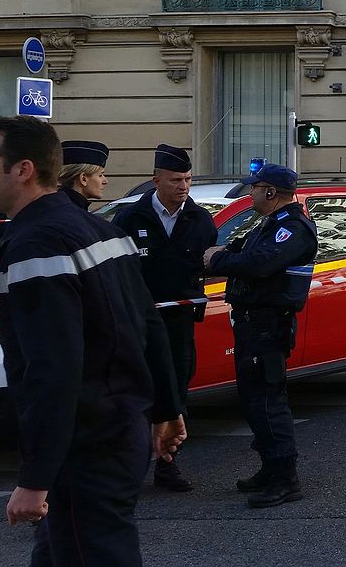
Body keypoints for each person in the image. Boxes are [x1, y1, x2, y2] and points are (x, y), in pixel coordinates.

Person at [0, 116, 185, 565]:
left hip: (86, 446)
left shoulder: (37, 243)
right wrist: (166, 409)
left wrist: (36, 476)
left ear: (23, 169)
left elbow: (53, 366)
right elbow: (148, 324)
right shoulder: (101, 230)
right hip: (119, 430)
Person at [203, 163, 317, 509]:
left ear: (271, 192)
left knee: (269, 402)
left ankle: (286, 478)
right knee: (254, 400)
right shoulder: (269, 224)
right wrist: (226, 255)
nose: (249, 193)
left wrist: (219, 259)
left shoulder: (293, 228)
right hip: (253, 323)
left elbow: (257, 263)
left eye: (254, 187)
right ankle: (269, 466)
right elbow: (243, 251)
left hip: (269, 324)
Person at [112, 144, 216, 493]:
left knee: (175, 393)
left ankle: (169, 465)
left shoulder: (199, 219)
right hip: (139, 324)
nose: (183, 186)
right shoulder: (130, 219)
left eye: (187, 179)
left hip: (180, 322)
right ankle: (130, 467)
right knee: (137, 394)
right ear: (156, 180)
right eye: (175, 180)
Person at [58, 139, 110, 210]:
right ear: (83, 179)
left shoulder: (58, 205)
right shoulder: (73, 214)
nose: (105, 181)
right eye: (100, 175)